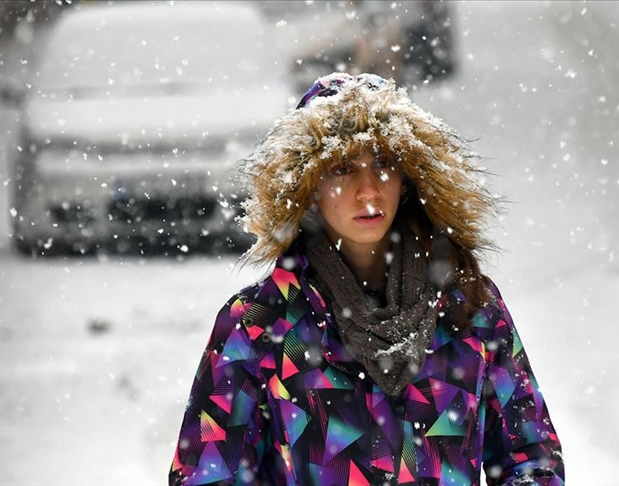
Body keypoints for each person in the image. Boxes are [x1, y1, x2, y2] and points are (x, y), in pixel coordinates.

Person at [169, 73, 563, 485]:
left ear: (409, 177)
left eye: (384, 163)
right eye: (342, 169)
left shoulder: (470, 309)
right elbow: (206, 476)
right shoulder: (258, 325)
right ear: (308, 186)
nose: (368, 191)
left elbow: (533, 461)